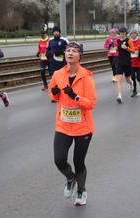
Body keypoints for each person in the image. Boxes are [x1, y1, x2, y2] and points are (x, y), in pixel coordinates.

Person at [49, 42, 96, 206]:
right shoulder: (57, 74)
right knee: (59, 159)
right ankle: (71, 178)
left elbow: (91, 103)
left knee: (78, 162)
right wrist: (54, 94)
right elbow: (53, 96)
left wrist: (75, 97)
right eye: (68, 50)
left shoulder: (86, 76)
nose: (70, 53)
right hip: (63, 125)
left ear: (80, 56)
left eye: (74, 51)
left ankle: (82, 191)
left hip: (83, 127)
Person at [115, 27, 135, 104]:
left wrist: (126, 48)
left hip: (127, 62)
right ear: (119, 33)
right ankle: (119, 96)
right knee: (119, 79)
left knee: (127, 80)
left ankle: (131, 83)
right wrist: (114, 49)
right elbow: (116, 49)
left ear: (125, 33)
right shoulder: (117, 40)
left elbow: (133, 50)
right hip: (119, 62)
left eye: (123, 32)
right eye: (121, 32)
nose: (122, 33)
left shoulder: (128, 40)